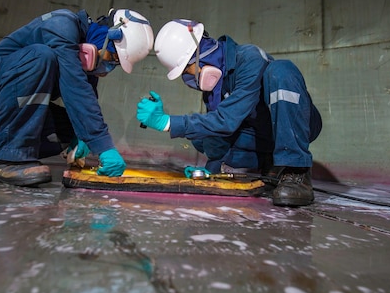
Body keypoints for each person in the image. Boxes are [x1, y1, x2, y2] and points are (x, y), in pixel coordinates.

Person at [0, 8, 154, 187]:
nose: (107, 68)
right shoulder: (62, 25)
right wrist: (104, 147)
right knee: (41, 56)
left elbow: (86, 100)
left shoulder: (81, 57)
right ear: (108, 36)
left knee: (75, 126)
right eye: (112, 58)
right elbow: (75, 88)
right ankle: (10, 157)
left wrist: (82, 137)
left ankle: (1, 144)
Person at [137, 19, 322, 206]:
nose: (188, 79)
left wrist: (168, 123)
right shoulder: (214, 91)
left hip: (298, 122)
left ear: (199, 55)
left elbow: (226, 121)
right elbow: (218, 133)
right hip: (263, 132)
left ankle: (296, 170)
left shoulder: (249, 59)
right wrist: (212, 171)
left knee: (281, 71)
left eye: (187, 70)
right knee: (201, 138)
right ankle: (271, 163)